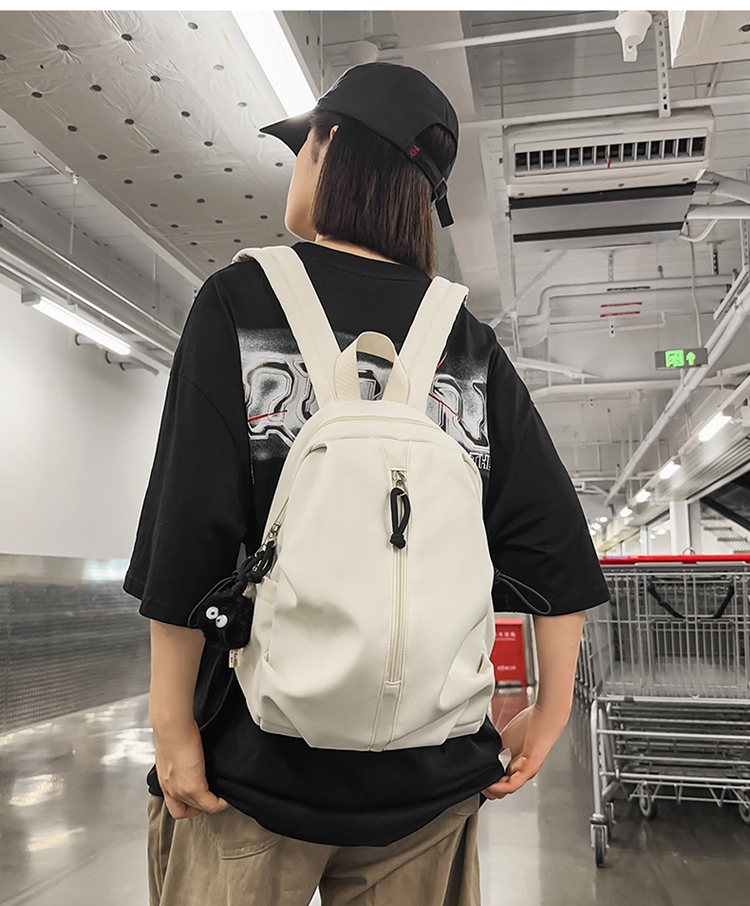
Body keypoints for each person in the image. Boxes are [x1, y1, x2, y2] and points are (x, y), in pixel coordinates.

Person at [124, 62, 609, 906]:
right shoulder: (466, 340)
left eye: (303, 146)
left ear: (330, 148)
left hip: (253, 766)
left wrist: (173, 725)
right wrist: (550, 708)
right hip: (429, 777)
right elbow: (554, 544)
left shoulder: (240, 301)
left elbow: (187, 528)